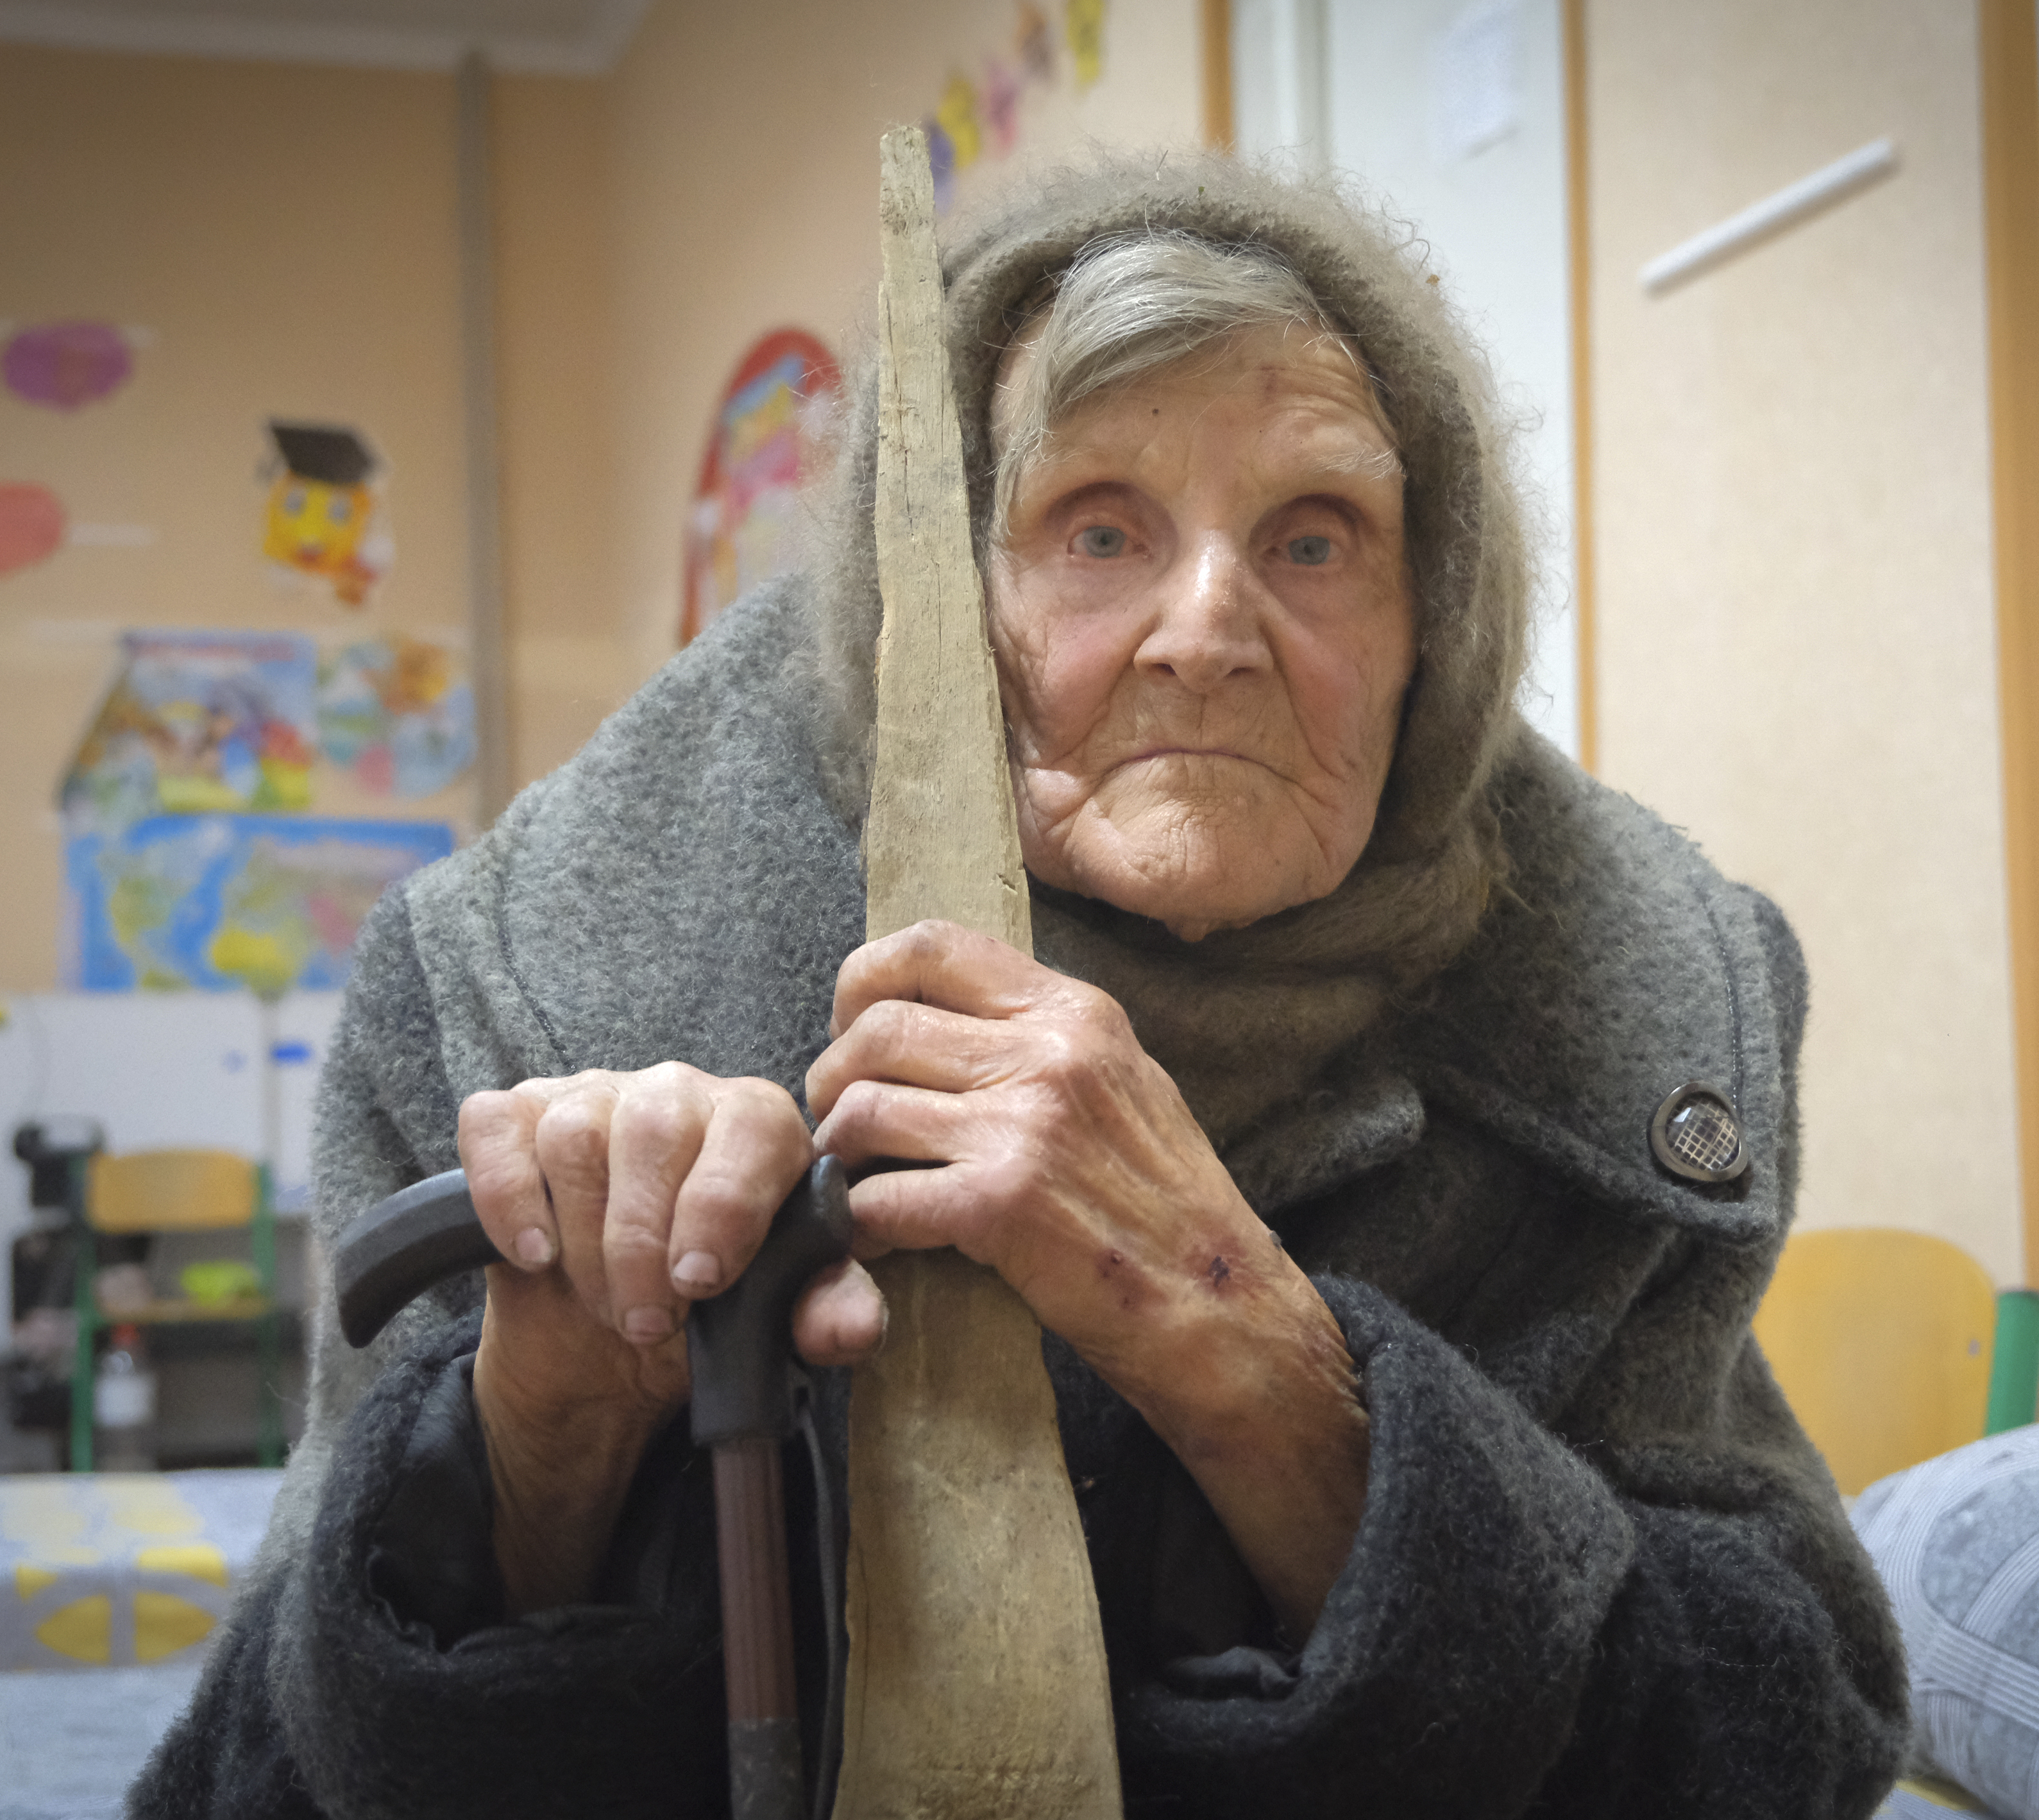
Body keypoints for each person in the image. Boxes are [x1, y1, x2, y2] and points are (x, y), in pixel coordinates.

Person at [131, 151, 1909, 1818]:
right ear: (936, 602)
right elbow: (258, 1782)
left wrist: (1256, 1354)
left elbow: (1790, 1741)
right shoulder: (518, 983)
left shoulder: (1631, 1026)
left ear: (1430, 623)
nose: (1208, 631)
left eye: (1312, 540)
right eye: (1097, 529)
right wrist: (546, 1445)